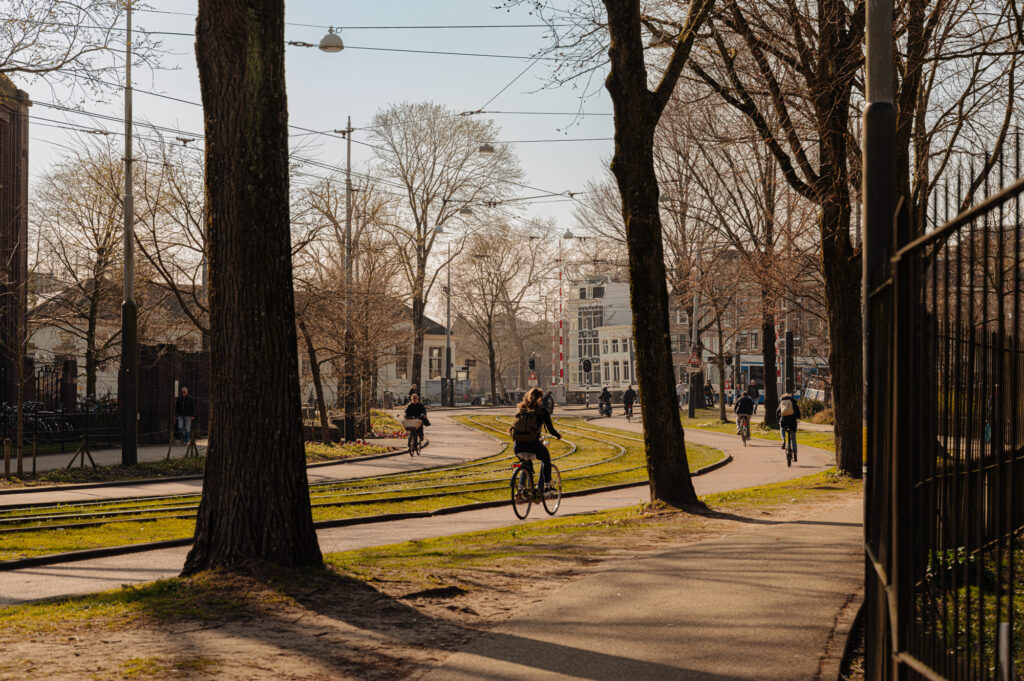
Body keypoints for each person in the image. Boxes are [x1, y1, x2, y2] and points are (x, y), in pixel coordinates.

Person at [508, 387, 561, 489]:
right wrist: (558, 436)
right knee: (546, 458)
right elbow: (551, 430)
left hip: (518, 447)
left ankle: (520, 488)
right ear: (540, 398)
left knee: (525, 463)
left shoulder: (521, 410)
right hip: (533, 445)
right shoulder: (542, 411)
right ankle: (547, 486)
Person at [776, 392, 802, 461]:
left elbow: (777, 412)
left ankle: (783, 439)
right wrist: (798, 417)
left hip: (783, 421)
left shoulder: (781, 402)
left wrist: (779, 419)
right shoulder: (793, 402)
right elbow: (798, 413)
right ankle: (795, 454)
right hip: (792, 422)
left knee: (781, 428)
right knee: (793, 439)